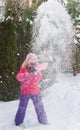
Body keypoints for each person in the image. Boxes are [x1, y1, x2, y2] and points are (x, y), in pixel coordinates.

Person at [14, 53, 48, 126]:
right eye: (31, 59)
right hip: (25, 91)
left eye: (34, 59)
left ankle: (43, 122)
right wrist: (28, 73)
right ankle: (18, 123)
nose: (33, 60)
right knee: (22, 108)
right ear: (27, 60)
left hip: (35, 91)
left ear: (36, 60)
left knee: (39, 107)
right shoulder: (24, 68)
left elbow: (39, 78)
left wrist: (35, 72)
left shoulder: (37, 67)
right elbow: (18, 77)